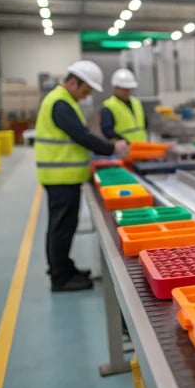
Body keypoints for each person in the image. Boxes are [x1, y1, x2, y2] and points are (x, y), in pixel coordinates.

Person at [35, 60, 130, 292]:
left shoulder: (66, 101)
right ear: (72, 82)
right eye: (85, 90)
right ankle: (60, 278)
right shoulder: (60, 103)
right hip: (59, 177)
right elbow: (81, 136)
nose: (86, 96)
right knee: (61, 228)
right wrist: (112, 148)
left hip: (66, 177)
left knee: (66, 226)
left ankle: (66, 268)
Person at [100, 68, 147, 143]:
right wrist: (123, 141)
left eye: (129, 88)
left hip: (140, 146)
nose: (127, 91)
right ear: (116, 88)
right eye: (124, 89)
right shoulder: (109, 106)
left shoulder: (137, 103)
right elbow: (107, 131)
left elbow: (145, 124)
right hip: (123, 148)